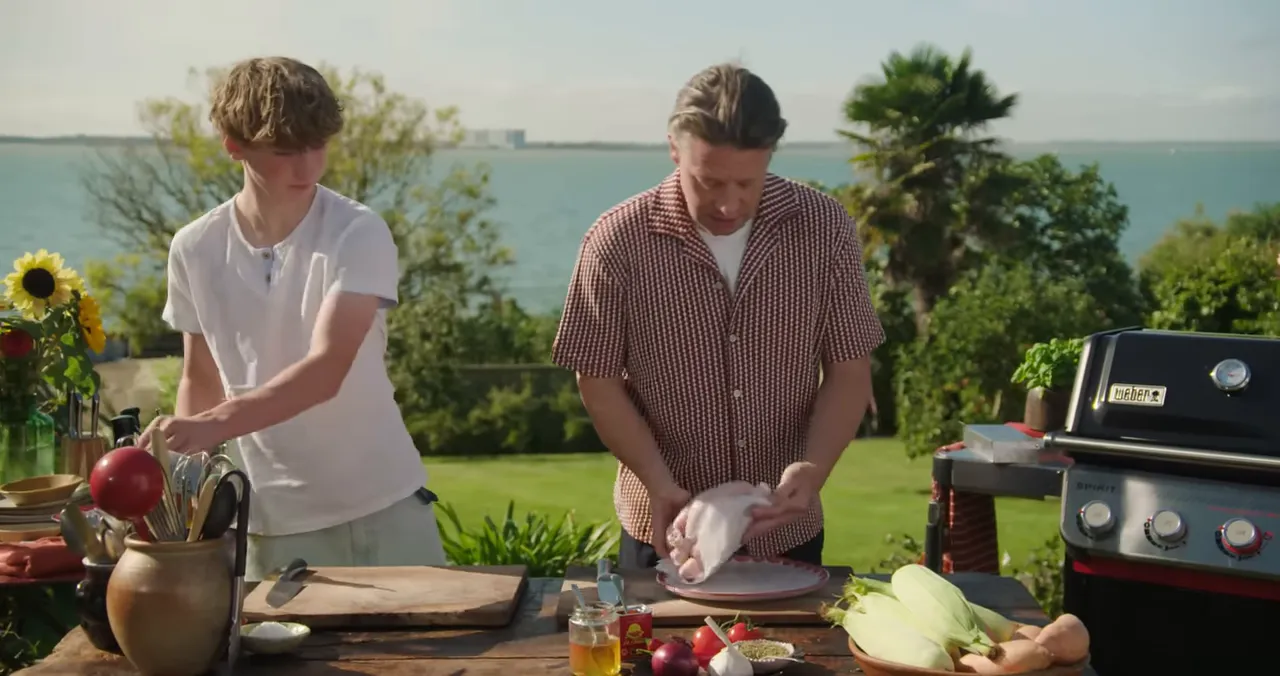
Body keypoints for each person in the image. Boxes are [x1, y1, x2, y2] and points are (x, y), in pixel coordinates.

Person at [552, 62, 884, 569]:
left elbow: (849, 368)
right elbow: (596, 380)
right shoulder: (616, 240)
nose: (729, 205)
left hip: (785, 527)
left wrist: (812, 471)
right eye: (709, 182)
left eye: (746, 183)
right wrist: (659, 484)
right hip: (663, 527)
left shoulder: (825, 227)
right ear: (673, 149)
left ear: (770, 155)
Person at [140, 56, 447, 580]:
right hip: (269, 523)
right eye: (285, 152)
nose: (307, 168)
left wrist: (206, 426)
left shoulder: (358, 232)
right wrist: (184, 484)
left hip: (383, 506)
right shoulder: (194, 247)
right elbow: (201, 377)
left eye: (318, 147)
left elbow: (327, 369)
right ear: (233, 145)